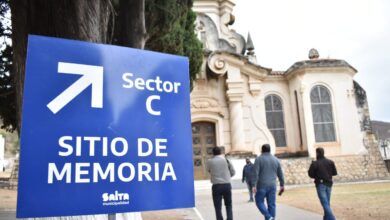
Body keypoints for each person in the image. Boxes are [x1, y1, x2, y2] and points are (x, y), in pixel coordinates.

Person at [252, 144, 284, 220]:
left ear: (262, 150)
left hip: (262, 185)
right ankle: (271, 218)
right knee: (272, 204)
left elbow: (255, 173)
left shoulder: (258, 159)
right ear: (270, 150)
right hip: (273, 185)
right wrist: (282, 184)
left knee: (259, 201)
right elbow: (280, 174)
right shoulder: (276, 159)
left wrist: (253, 185)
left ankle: (268, 217)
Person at [308, 147, 338, 220]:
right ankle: (326, 218)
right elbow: (334, 173)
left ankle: (332, 218)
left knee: (324, 203)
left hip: (320, 184)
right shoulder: (330, 162)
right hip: (329, 184)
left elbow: (310, 174)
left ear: (317, 153)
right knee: (327, 203)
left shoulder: (315, 163)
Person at [207, 146, 236, 220]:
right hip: (226, 185)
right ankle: (229, 218)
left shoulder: (209, 161)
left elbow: (208, 170)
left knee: (217, 207)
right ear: (220, 152)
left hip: (216, 186)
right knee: (228, 205)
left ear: (213, 153)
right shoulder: (226, 160)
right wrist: (227, 177)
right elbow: (233, 172)